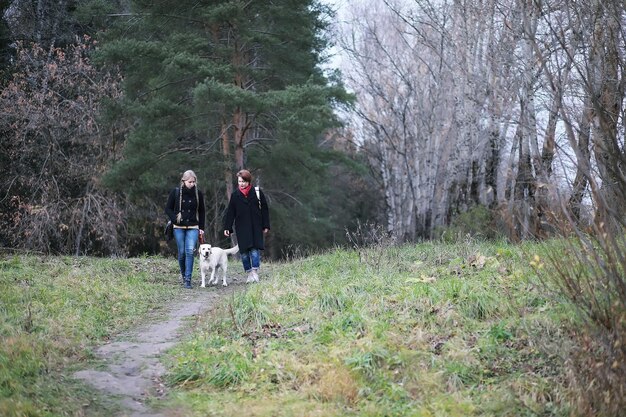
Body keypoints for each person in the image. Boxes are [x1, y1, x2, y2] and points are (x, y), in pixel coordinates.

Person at [223, 169, 270, 283]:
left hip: (255, 226)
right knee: (244, 253)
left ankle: (255, 272)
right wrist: (227, 227)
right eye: (240, 181)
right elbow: (230, 212)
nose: (242, 184)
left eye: (244, 181)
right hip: (242, 228)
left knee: (254, 250)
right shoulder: (235, 195)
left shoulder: (257, 192)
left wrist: (265, 225)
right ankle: (249, 273)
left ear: (249, 181)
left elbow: (264, 209)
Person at [165, 170, 205, 288]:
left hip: (193, 226)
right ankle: (183, 275)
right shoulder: (176, 192)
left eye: (194, 182)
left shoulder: (198, 193)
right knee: (182, 252)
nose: (192, 184)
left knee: (189, 251)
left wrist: (201, 228)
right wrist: (175, 219)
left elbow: (202, 211)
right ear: (183, 181)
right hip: (178, 227)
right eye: (189, 182)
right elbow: (168, 209)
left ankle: (188, 279)